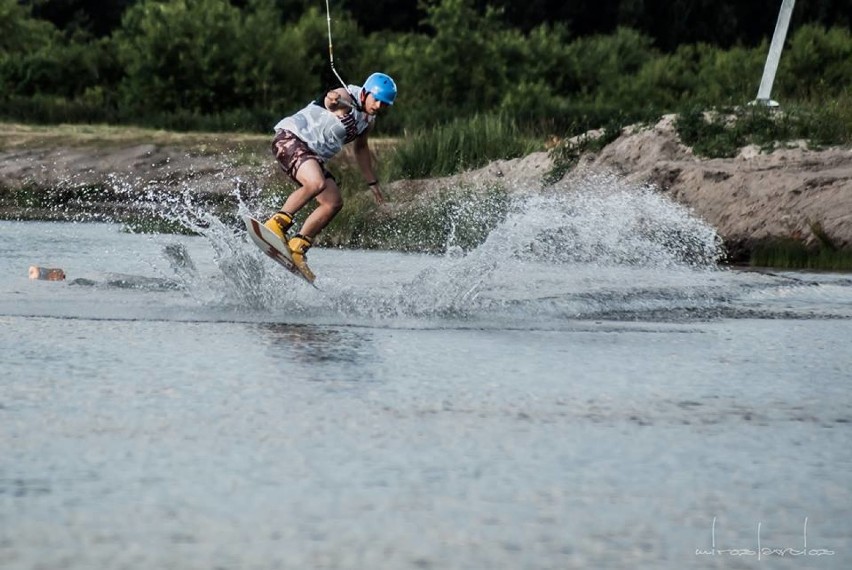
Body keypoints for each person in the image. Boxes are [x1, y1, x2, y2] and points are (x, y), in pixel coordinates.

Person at [263, 72, 397, 281]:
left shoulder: (368, 120)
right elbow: (331, 100)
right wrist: (332, 99)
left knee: (333, 202)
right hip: (290, 139)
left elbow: (361, 149)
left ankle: (298, 248)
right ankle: (275, 225)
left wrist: (372, 182)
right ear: (367, 93)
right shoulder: (346, 95)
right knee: (316, 183)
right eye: (377, 99)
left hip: (311, 156)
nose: (379, 106)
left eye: (385, 104)